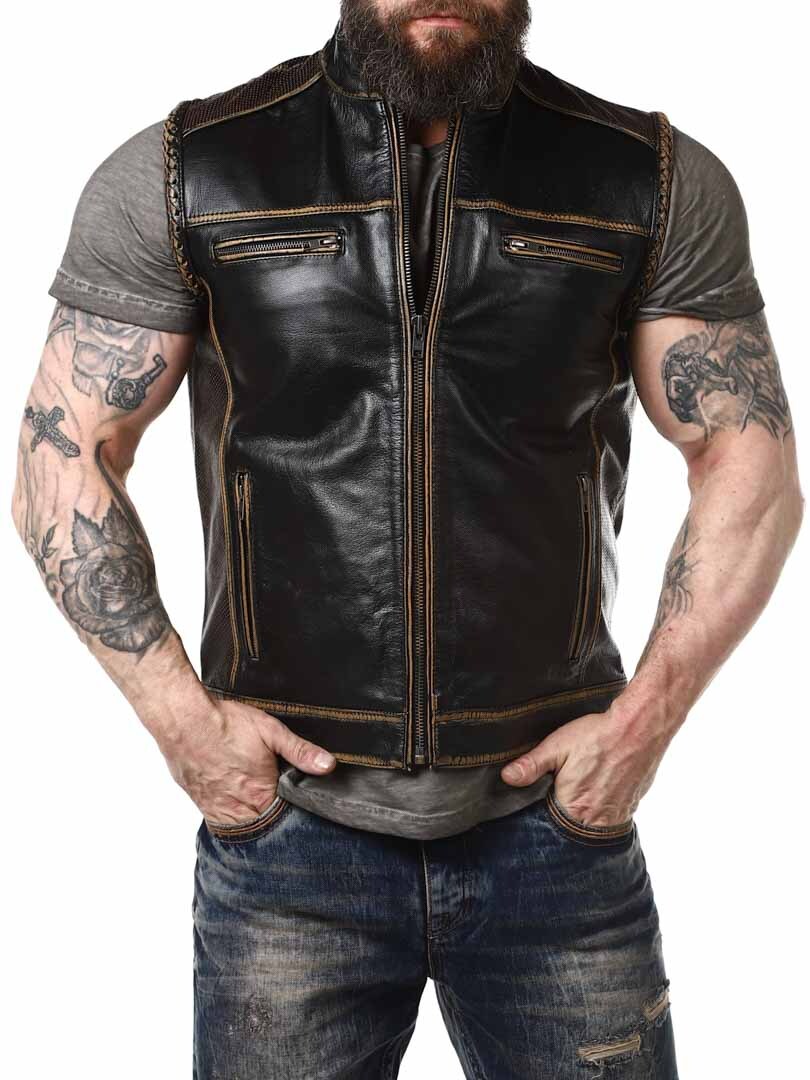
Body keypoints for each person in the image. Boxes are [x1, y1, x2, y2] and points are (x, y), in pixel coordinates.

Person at [12, 2, 803, 1077]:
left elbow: (747, 460)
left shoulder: (646, 179)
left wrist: (642, 728)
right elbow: (65, 453)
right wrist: (184, 727)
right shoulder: (190, 171)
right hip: (288, 837)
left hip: (556, 829)